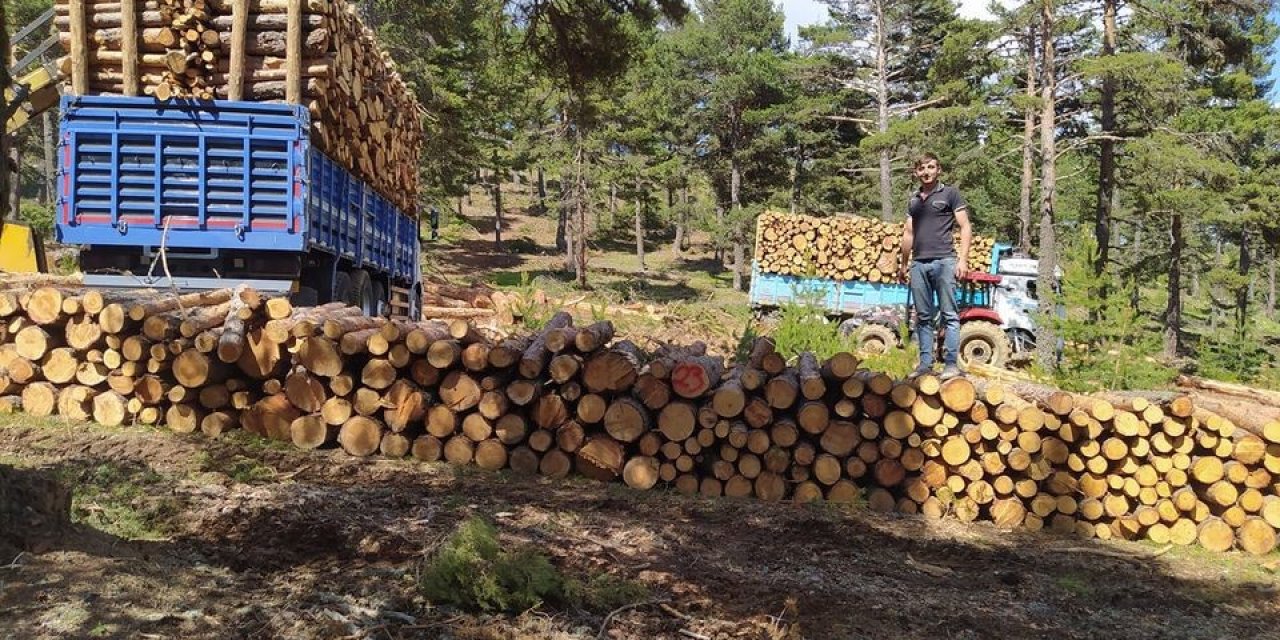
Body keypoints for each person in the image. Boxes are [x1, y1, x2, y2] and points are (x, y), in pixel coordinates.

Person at [899, 152, 971, 380]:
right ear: (916, 172)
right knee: (923, 317)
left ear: (938, 170)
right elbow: (908, 233)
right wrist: (904, 264)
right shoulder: (913, 200)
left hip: (944, 261)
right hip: (918, 264)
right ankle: (925, 365)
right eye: (922, 168)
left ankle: (950, 365)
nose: (926, 172)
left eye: (931, 167)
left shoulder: (950, 194)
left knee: (949, 315)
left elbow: (965, 226)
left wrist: (963, 259)